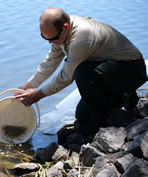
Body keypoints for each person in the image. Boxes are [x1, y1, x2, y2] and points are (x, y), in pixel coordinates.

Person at [15, 7, 147, 137]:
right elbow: (49, 64)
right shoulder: (61, 35)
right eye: (45, 38)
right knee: (81, 115)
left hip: (132, 70)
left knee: (82, 73)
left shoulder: (81, 38)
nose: (50, 42)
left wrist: (39, 94)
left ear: (65, 27)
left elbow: (65, 78)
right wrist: (27, 87)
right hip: (112, 71)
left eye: (53, 38)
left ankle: (99, 126)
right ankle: (124, 97)